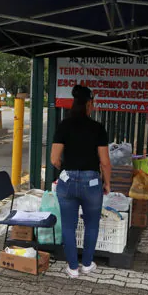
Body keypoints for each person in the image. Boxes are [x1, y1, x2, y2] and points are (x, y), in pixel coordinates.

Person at [51, 85, 112, 278]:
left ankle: (72, 268)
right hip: (92, 182)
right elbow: (104, 162)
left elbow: (54, 159)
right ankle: (87, 264)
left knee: (68, 225)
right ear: (88, 104)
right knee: (91, 225)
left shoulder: (63, 125)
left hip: (67, 181)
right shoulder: (97, 128)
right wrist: (107, 183)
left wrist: (67, 170)